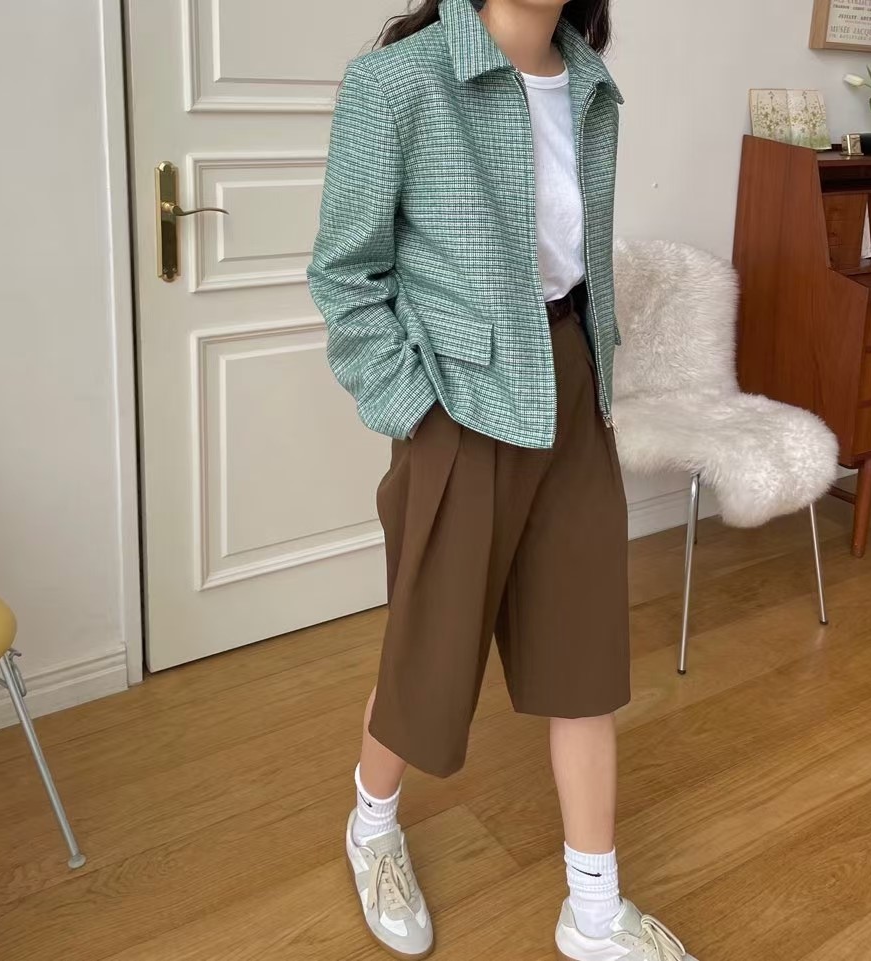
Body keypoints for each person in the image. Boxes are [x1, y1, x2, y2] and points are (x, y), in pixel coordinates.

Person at [308, 1, 696, 959]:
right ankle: (371, 826)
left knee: (582, 655)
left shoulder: (590, 86)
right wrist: (414, 407)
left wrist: (594, 372)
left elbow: (572, 263)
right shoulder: (397, 83)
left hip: (570, 386)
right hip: (459, 403)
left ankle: (593, 910)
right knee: (429, 652)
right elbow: (345, 277)